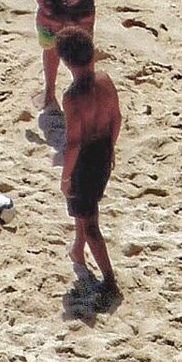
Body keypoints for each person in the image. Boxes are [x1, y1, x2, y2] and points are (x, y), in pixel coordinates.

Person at [56, 26, 122, 301]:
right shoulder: (105, 80)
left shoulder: (73, 98)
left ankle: (109, 278)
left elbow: (73, 142)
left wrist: (66, 175)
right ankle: (77, 249)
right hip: (104, 152)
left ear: (65, 62)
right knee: (86, 210)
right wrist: (112, 149)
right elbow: (117, 119)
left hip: (84, 163)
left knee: (90, 222)